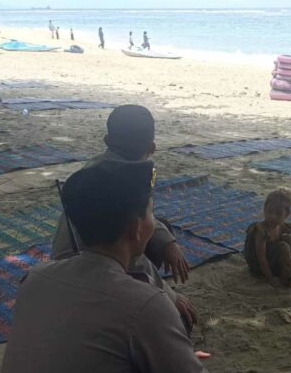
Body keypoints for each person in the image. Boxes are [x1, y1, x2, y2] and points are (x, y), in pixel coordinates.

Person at [0, 161, 219, 373]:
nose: (154, 223)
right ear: (136, 229)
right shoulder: (145, 305)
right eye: (151, 213)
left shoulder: (35, 277)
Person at [52, 105, 192, 286]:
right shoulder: (120, 181)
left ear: (107, 141)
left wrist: (167, 242)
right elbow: (118, 252)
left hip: (76, 262)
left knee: (160, 228)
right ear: (152, 148)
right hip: (84, 269)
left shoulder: (97, 170)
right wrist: (168, 294)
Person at [244, 189, 291, 291]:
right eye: (269, 211)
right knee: (283, 246)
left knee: (289, 238)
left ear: (287, 215)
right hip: (260, 267)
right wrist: (270, 277)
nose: (273, 216)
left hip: (272, 257)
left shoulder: (281, 226)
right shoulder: (261, 231)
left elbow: (290, 242)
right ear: (264, 209)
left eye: (278, 213)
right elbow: (261, 258)